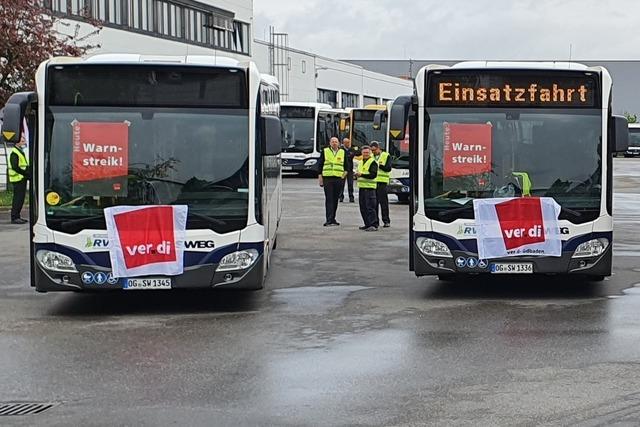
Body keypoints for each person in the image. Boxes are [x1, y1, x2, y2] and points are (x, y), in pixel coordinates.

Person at [318, 137, 348, 226]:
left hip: (338, 179)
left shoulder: (342, 152)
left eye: (336, 142)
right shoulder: (325, 151)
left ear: (339, 143)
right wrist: (320, 178)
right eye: (332, 142)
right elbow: (320, 165)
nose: (334, 143)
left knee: (335, 199)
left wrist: (343, 176)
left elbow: (346, 166)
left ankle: (333, 218)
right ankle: (328, 219)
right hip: (328, 178)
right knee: (329, 199)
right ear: (330, 143)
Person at [8, 133, 30, 224]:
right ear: (16, 141)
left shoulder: (20, 151)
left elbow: (23, 165)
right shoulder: (14, 152)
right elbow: (15, 167)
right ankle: (15, 217)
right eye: (22, 138)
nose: (23, 139)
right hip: (18, 179)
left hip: (21, 178)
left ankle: (18, 216)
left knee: (20, 199)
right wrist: (26, 174)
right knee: (18, 199)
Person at [356, 146, 378, 231]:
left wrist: (361, 175)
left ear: (370, 153)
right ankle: (367, 224)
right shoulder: (361, 162)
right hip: (362, 188)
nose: (365, 154)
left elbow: (373, 175)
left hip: (370, 188)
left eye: (367, 153)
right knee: (363, 207)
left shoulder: (373, 162)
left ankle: (373, 225)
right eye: (364, 152)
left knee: (370, 207)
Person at [371, 141, 392, 228]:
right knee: (374, 203)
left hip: (382, 182)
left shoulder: (386, 155)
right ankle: (375, 221)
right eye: (372, 151)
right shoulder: (371, 157)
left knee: (383, 203)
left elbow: (388, 168)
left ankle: (386, 220)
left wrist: (379, 166)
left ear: (378, 148)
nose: (373, 152)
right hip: (373, 182)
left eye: (374, 150)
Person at [338, 138, 356, 203]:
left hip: (350, 170)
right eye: (346, 142)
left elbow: (352, 155)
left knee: (350, 184)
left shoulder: (352, 149)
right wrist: (348, 156)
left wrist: (347, 156)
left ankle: (351, 197)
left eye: (348, 142)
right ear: (343, 143)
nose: (347, 144)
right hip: (343, 170)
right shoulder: (340, 150)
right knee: (341, 184)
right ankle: (340, 197)